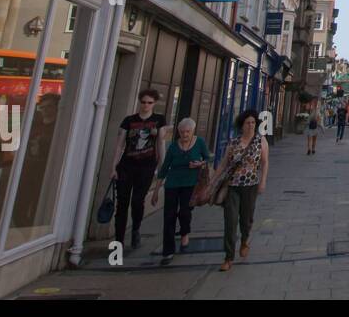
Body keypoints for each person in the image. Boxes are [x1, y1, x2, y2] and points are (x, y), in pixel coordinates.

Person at [109, 89, 167, 250]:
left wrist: (163, 165)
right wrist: (113, 167)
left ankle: (135, 229)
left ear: (154, 103)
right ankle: (118, 240)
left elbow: (161, 144)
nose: (146, 105)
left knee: (137, 201)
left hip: (146, 166)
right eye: (143, 102)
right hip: (126, 165)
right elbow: (120, 144)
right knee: (122, 203)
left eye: (149, 102)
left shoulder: (159, 120)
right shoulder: (129, 120)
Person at [151, 117, 208, 266]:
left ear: (193, 131)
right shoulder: (173, 147)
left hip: (190, 183)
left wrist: (200, 163)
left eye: (188, 132)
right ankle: (168, 251)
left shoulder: (199, 143)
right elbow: (164, 169)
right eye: (182, 132)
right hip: (172, 183)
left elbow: (208, 159)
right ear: (178, 132)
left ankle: (184, 233)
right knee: (169, 215)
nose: (185, 135)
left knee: (184, 212)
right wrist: (156, 191)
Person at [220, 109, 269, 272]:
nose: (251, 125)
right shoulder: (233, 142)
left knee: (246, 219)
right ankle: (228, 257)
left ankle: (245, 240)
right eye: (248, 123)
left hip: (251, 186)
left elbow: (264, 162)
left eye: (253, 122)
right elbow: (223, 164)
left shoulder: (260, 141)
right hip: (232, 185)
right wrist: (212, 182)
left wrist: (263, 181)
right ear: (241, 125)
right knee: (230, 220)